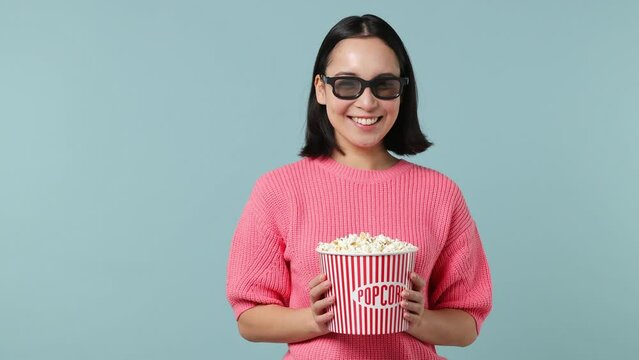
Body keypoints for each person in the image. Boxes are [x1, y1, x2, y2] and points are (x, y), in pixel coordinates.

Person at [226, 14, 492, 359]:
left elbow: (468, 322)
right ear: (321, 89)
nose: (367, 103)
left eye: (384, 85)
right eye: (348, 85)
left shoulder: (440, 193)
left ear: (402, 91)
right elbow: (249, 319)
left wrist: (418, 320)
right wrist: (313, 320)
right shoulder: (279, 190)